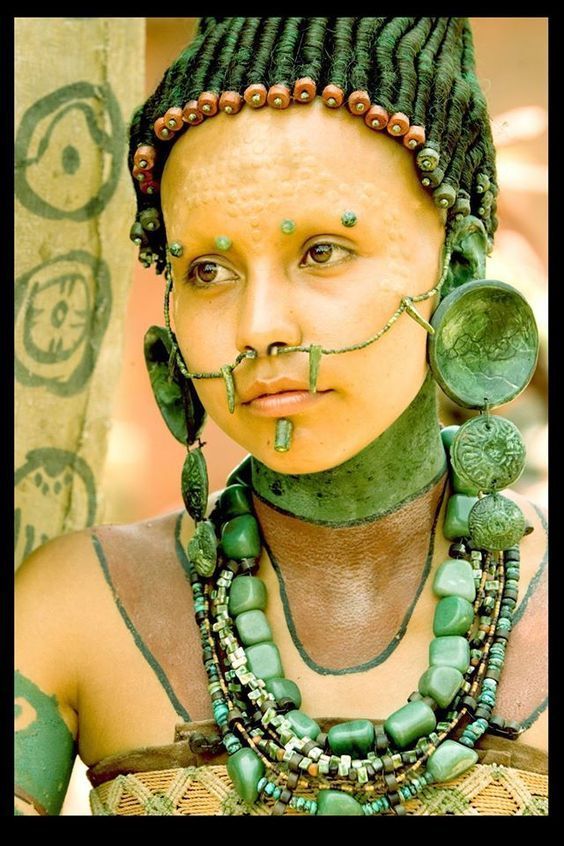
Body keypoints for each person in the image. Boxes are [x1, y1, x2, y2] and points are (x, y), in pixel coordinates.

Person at [15, 17, 548, 816]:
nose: (260, 325)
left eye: (322, 251)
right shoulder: (73, 607)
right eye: (207, 268)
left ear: (458, 266)